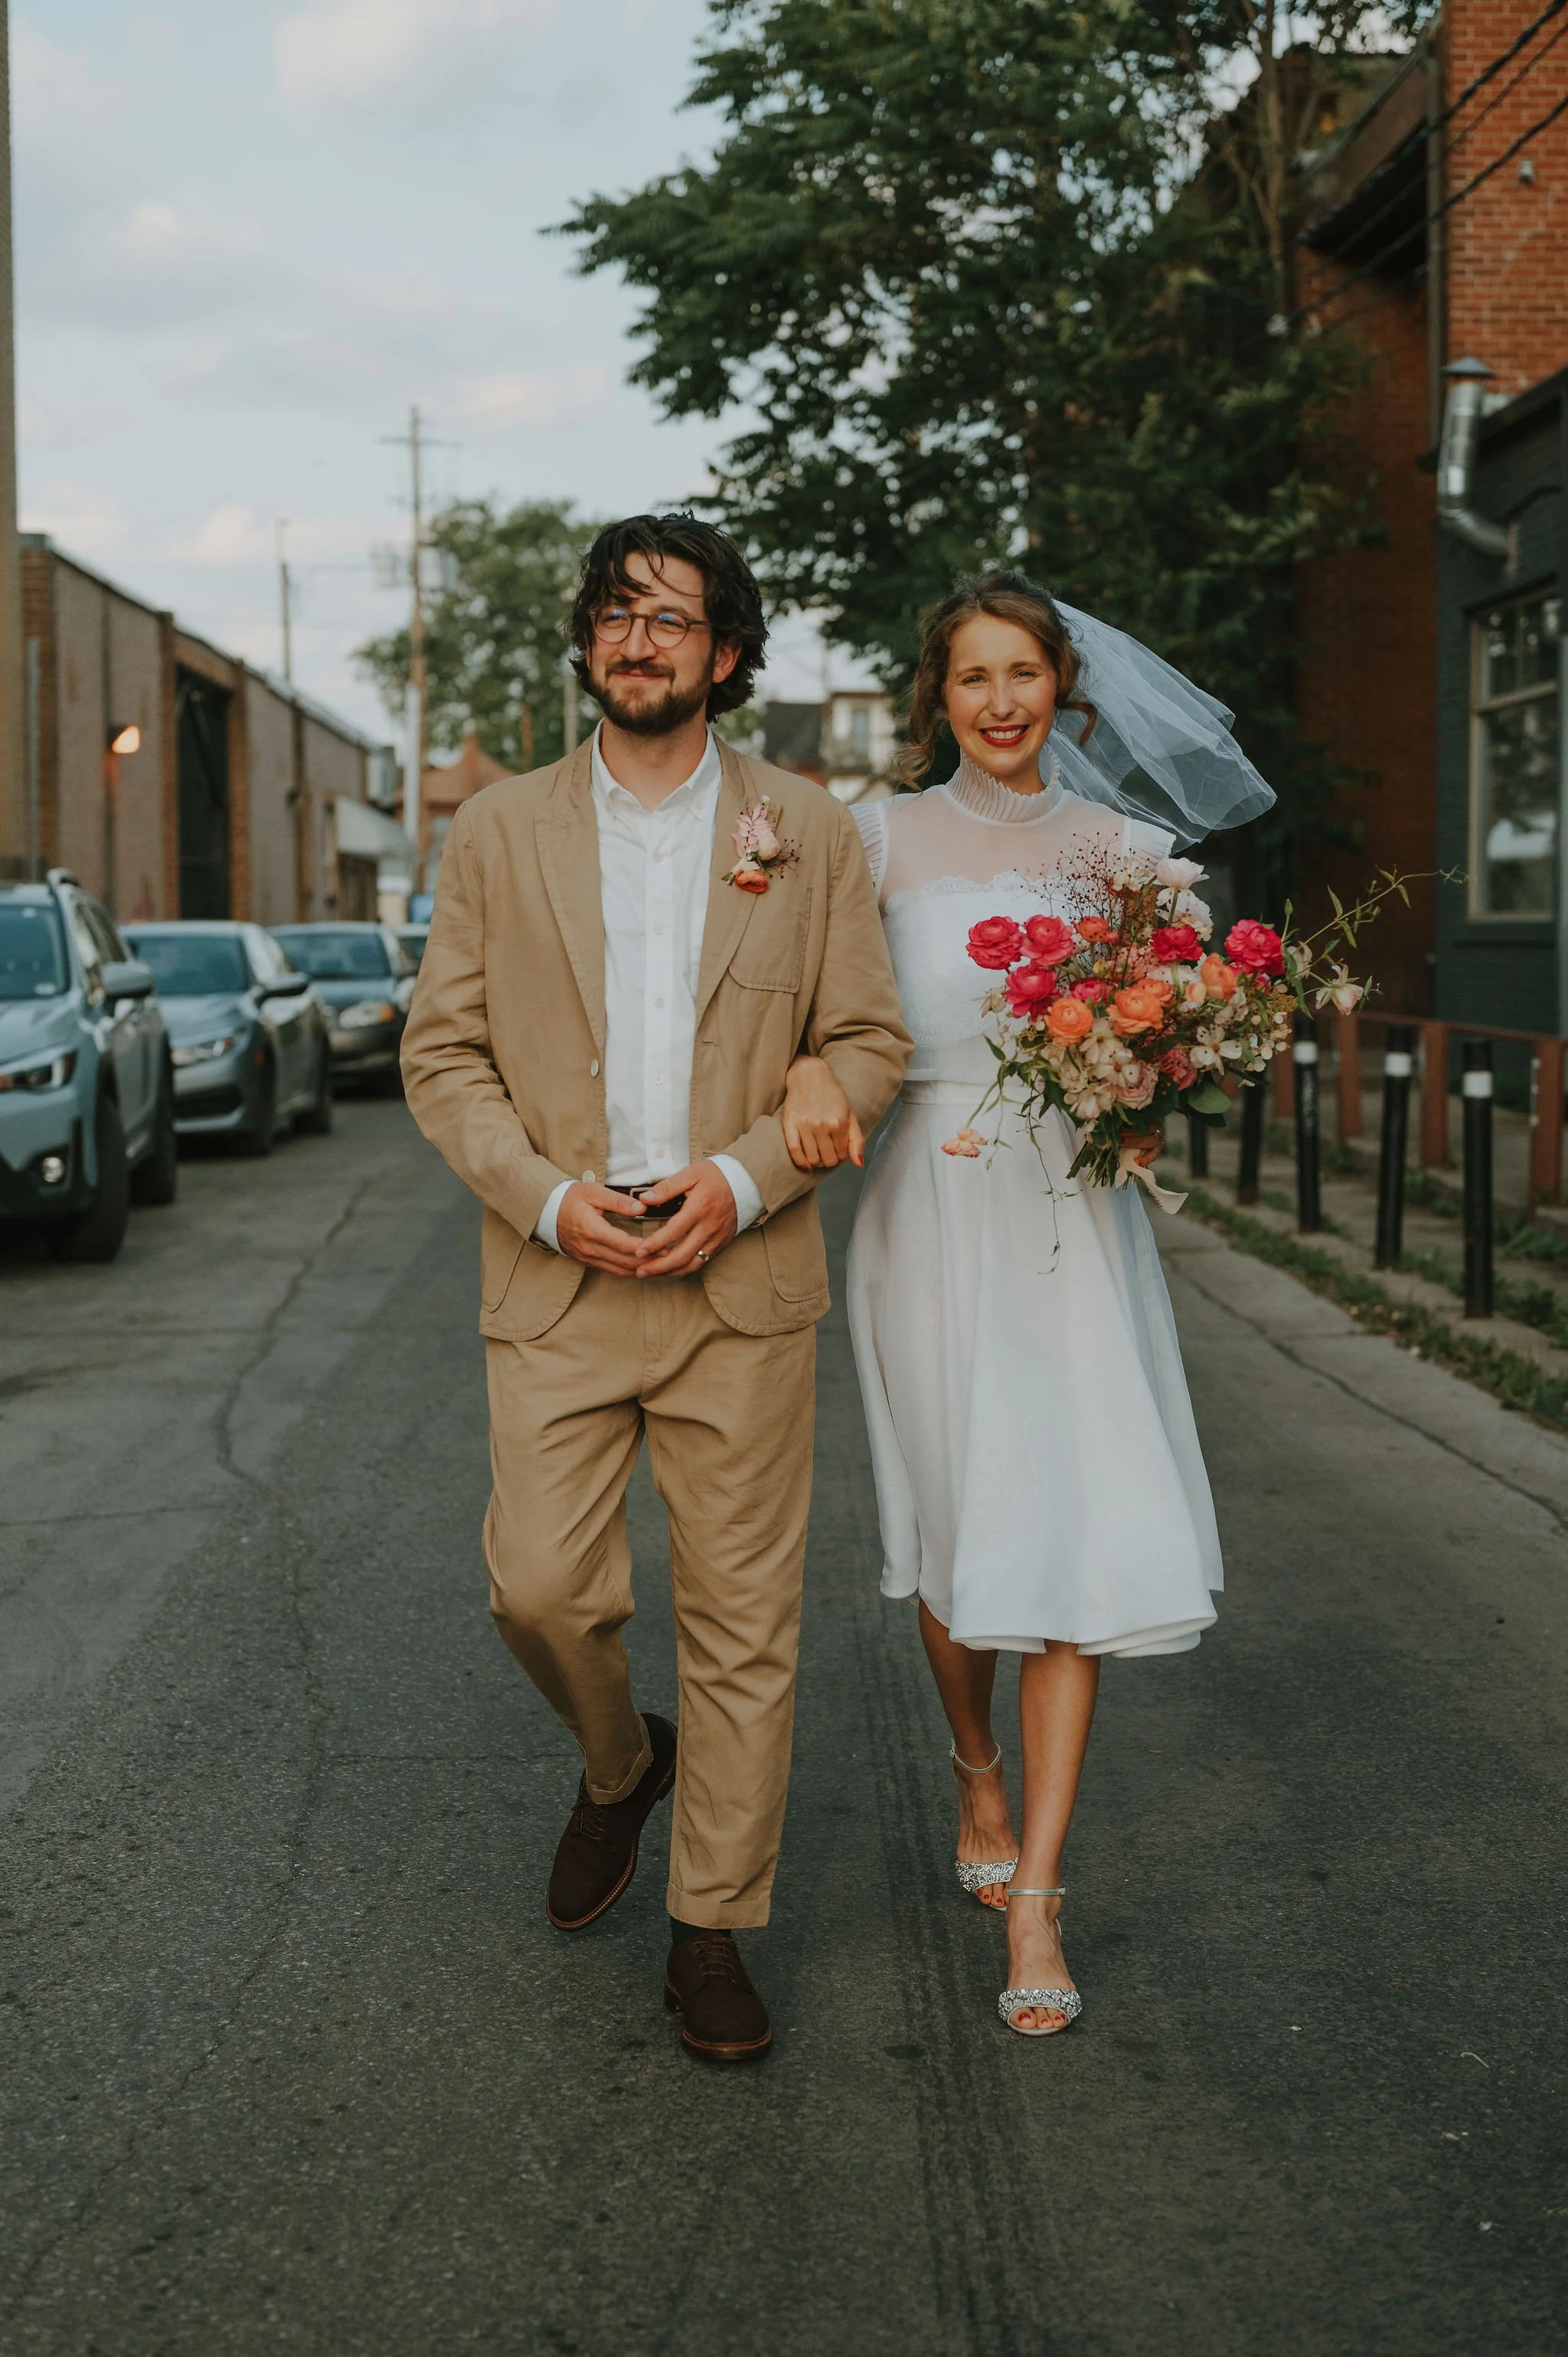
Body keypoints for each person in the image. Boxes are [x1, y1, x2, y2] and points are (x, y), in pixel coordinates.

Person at [400, 514, 910, 2064]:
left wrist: (746, 1177)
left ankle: (710, 1928)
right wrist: (553, 1202)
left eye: (673, 619)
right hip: (559, 1280)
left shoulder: (807, 832)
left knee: (744, 1623)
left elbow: (871, 1044)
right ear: (587, 641)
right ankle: (620, 1766)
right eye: (617, 613)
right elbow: (444, 1053)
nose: (639, 639)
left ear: (728, 655)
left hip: (738, 1282)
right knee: (539, 1589)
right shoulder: (493, 833)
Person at [781, 569, 1272, 2038]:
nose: (1001, 701)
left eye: (1025, 674)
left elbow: (1186, 1049)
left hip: (1071, 1213)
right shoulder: (871, 842)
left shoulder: (1130, 855)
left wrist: (1152, 1077)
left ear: (1065, 688)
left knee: (1066, 1525)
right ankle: (972, 1758)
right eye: (973, 677)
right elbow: (809, 1012)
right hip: (927, 1204)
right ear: (937, 695)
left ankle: (1041, 1893)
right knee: (952, 1534)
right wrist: (806, 1068)